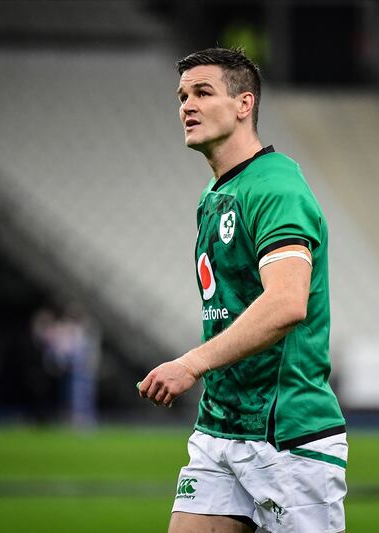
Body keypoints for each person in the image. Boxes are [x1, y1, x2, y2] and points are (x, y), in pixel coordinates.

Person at [138, 48, 347, 533]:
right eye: (182, 96)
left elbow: (286, 303)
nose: (187, 106)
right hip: (220, 426)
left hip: (286, 435)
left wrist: (190, 364)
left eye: (203, 92)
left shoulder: (276, 188)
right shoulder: (213, 195)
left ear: (244, 104)